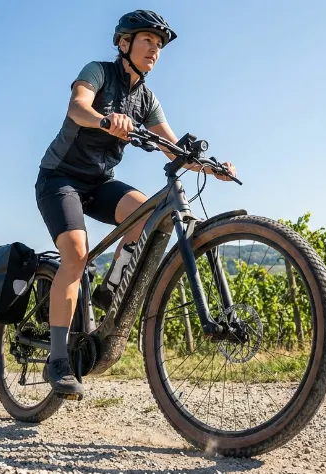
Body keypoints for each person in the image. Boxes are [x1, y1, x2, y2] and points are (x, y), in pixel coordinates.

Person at [34, 10, 237, 397]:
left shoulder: (146, 99)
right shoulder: (99, 72)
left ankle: (110, 288)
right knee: (75, 254)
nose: (155, 51)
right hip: (60, 179)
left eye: (159, 46)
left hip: (99, 183)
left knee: (144, 211)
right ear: (124, 43)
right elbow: (77, 107)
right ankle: (57, 359)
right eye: (148, 42)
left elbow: (172, 148)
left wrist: (212, 169)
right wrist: (104, 119)